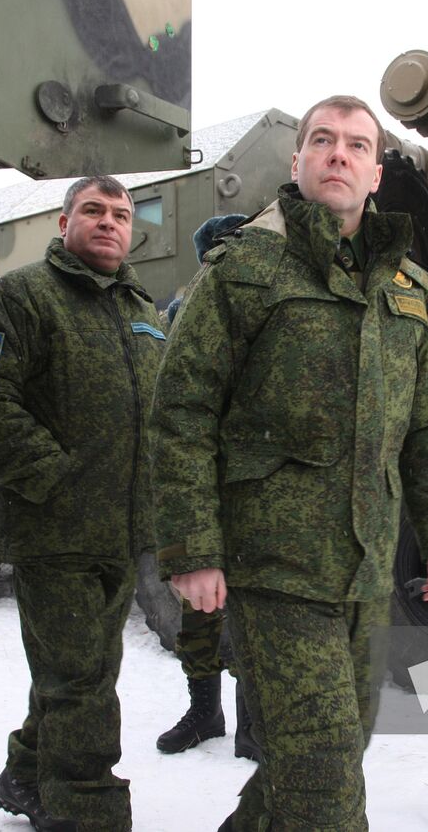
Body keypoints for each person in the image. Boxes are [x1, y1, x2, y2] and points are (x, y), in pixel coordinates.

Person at [149, 95, 428, 831]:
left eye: (358, 145)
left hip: (365, 566)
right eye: (322, 141)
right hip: (272, 567)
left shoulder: (407, 290)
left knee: (327, 750)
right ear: (296, 163)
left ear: (376, 174)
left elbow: (427, 426)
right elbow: (182, 409)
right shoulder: (244, 269)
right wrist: (192, 547)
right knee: (324, 776)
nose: (339, 154)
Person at [0, 175, 165, 832]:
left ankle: (25, 775)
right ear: (64, 219)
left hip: (122, 533)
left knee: (81, 673)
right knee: (81, 684)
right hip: (54, 532)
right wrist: (55, 479)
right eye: (93, 211)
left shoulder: (143, 311)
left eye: (121, 214)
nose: (109, 223)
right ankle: (83, 810)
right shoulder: (19, 299)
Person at [154, 214, 260, 764]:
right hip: (202, 486)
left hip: (253, 486)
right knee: (196, 611)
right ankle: (205, 710)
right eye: (220, 249)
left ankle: (250, 721)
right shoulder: (184, 313)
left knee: (252, 610)